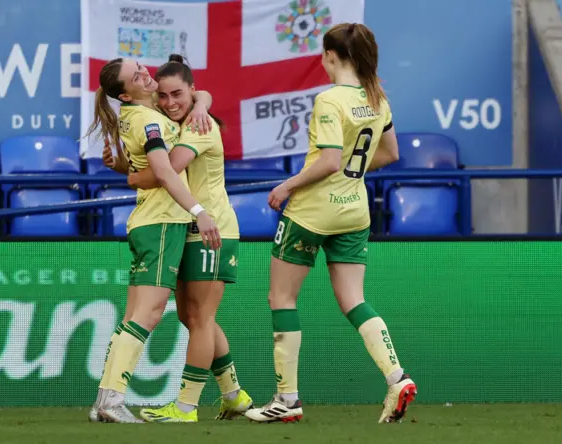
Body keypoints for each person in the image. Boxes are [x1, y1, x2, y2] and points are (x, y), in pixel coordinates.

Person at [245, 23, 417, 424]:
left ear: (331, 57)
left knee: (282, 299)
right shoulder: (378, 100)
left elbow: (326, 161)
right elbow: (389, 154)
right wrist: (345, 173)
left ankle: (287, 400)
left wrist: (286, 186)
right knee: (354, 301)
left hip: (312, 211)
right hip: (354, 210)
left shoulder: (329, 99)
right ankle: (397, 377)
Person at [114, 54, 253, 423]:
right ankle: (234, 395)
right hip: (188, 229)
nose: (170, 102)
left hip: (213, 229)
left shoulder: (199, 125)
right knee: (194, 318)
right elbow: (196, 96)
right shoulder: (188, 113)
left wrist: (129, 176)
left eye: (178, 94)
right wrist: (203, 98)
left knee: (202, 318)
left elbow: (168, 169)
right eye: (162, 96)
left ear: (191, 91)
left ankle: (186, 407)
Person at [84, 57, 221, 424]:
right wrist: (199, 211)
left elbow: (198, 94)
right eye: (137, 75)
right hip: (162, 222)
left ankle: (104, 401)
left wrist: (203, 101)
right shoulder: (148, 119)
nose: (146, 73)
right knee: (148, 313)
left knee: (133, 315)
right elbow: (162, 171)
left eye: (141, 66)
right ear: (126, 92)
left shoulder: (139, 115)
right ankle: (112, 401)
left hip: (149, 221)